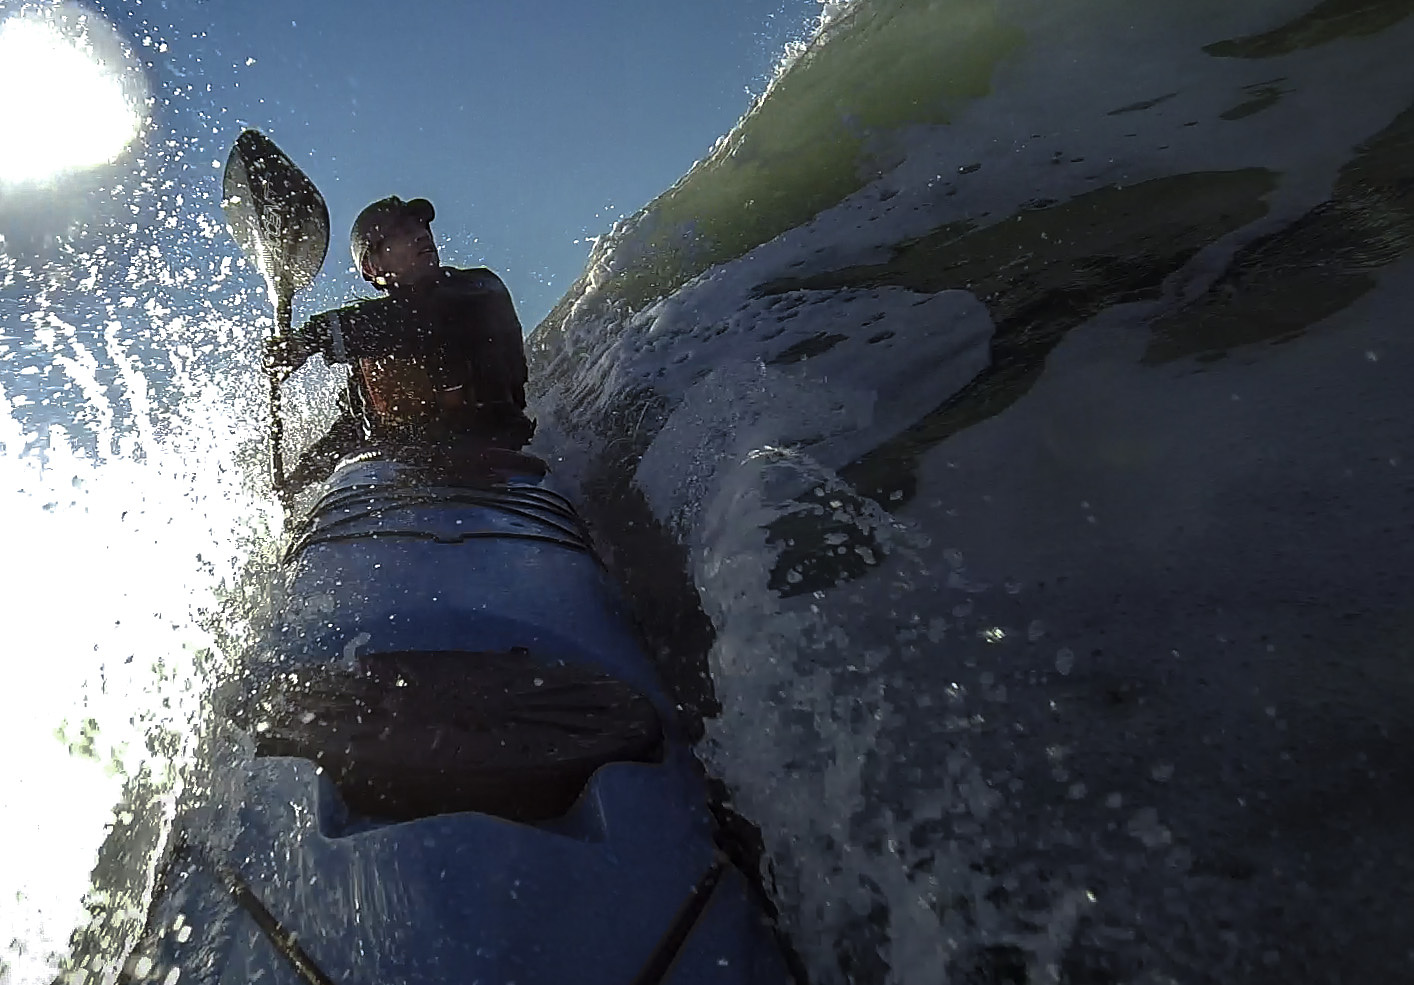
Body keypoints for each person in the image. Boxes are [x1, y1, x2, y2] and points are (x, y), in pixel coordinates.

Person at [264, 195, 535, 488]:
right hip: (407, 490)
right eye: (402, 232)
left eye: (420, 227)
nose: (421, 234)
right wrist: (299, 478)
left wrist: (310, 338)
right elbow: (357, 425)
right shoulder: (375, 345)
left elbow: (415, 321)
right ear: (373, 266)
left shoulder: (478, 289)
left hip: (500, 481)